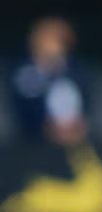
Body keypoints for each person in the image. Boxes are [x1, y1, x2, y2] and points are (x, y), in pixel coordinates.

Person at [7, 16, 88, 146]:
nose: (53, 46)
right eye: (49, 40)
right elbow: (24, 110)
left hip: (74, 142)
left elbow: (86, 100)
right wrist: (48, 128)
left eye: (59, 41)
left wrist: (77, 126)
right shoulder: (24, 73)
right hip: (35, 145)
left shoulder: (76, 71)